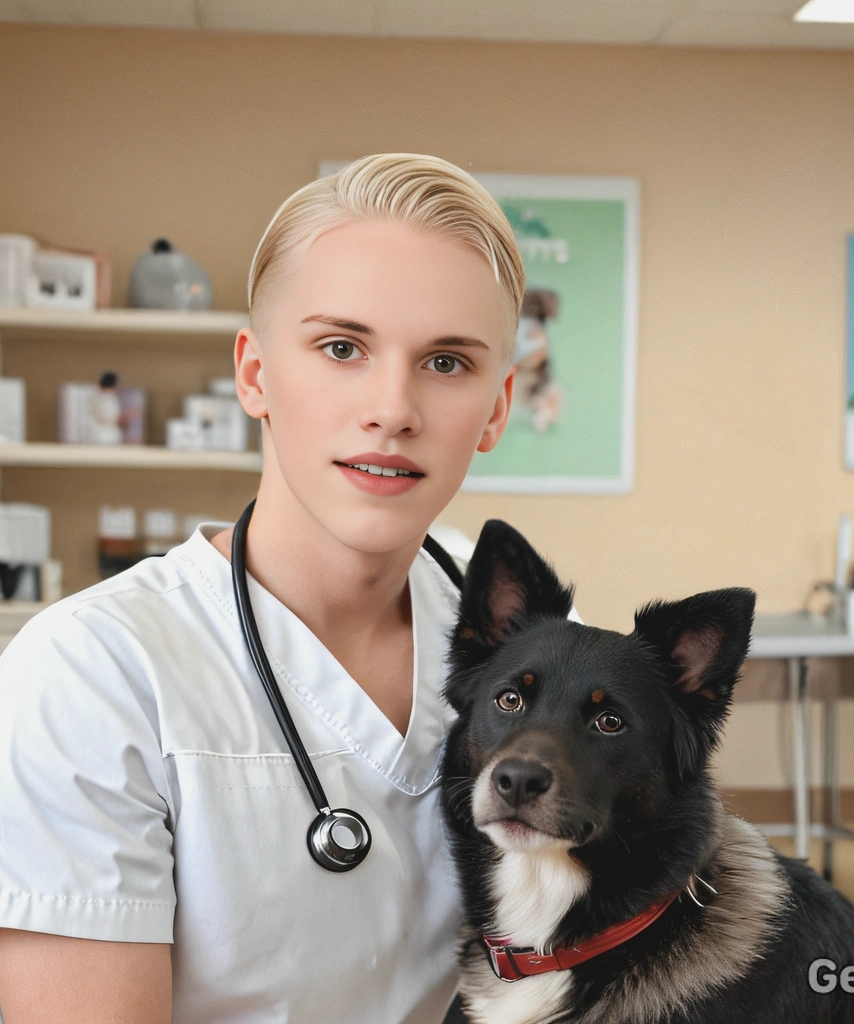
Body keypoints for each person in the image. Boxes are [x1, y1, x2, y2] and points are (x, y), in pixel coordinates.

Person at [0, 154, 530, 1022]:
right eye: (341, 348)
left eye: (445, 363)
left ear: (498, 408)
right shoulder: (92, 674)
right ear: (253, 376)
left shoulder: (528, 634)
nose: (392, 407)